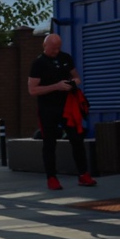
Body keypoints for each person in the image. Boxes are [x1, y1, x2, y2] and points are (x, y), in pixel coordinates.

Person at [28, 33, 97, 190]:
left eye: (58, 48)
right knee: (49, 142)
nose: (56, 51)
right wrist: (56, 86)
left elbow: (77, 78)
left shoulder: (65, 58)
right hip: (48, 108)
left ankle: (83, 174)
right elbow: (32, 90)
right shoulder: (39, 63)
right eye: (53, 48)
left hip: (67, 107)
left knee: (76, 139)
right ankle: (52, 177)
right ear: (45, 46)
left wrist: (72, 83)